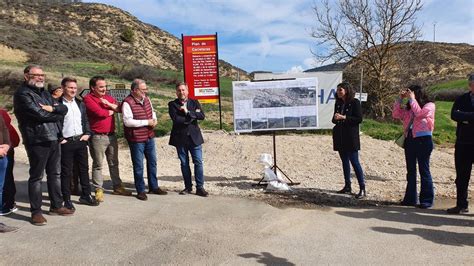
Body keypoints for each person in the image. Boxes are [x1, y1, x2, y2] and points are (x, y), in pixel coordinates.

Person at [13, 65, 74, 226]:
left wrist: (53, 109)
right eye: (36, 75)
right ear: (26, 76)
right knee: (37, 177)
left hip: (53, 137)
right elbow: (39, 115)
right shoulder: (22, 94)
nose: (41, 78)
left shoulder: (44, 93)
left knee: (55, 174)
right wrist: (56, 114)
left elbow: (64, 108)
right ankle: (36, 212)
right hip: (37, 140)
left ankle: (56, 206)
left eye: (42, 75)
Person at [83, 76, 131, 202]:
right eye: (101, 87)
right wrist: (111, 110)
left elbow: (120, 109)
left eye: (105, 86)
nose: (104, 89)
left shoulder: (108, 98)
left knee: (114, 162)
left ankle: (118, 186)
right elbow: (100, 113)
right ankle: (98, 189)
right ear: (93, 88)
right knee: (98, 164)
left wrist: (110, 105)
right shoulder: (88, 99)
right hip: (97, 136)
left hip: (111, 135)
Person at [58, 77, 99, 210]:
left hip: (81, 141)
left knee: (83, 170)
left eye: (75, 88)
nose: (73, 90)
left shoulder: (80, 103)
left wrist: (87, 133)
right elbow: (53, 123)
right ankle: (67, 199)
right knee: (66, 172)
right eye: (70, 88)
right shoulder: (57, 104)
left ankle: (86, 195)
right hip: (66, 142)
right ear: (63, 88)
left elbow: (85, 120)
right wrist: (60, 138)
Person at [122, 79, 167, 200]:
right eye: (143, 89)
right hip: (136, 138)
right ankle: (140, 190)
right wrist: (146, 122)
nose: (145, 91)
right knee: (138, 165)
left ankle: (153, 186)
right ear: (135, 90)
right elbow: (127, 121)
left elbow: (152, 111)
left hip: (149, 136)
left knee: (152, 162)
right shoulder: (127, 102)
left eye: (146, 89)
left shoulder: (146, 99)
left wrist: (154, 119)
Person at [393, 85, 435, 209]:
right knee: (411, 171)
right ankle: (410, 199)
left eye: (410, 93)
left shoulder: (429, 106)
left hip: (423, 139)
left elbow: (420, 114)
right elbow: (396, 114)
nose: (408, 95)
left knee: (424, 170)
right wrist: (399, 99)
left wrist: (412, 99)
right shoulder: (409, 108)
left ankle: (426, 200)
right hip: (410, 139)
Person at [168, 82, 208, 197]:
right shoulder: (172, 104)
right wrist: (192, 116)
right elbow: (176, 119)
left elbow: (202, 116)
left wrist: (187, 112)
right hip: (180, 138)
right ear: (176, 92)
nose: (181, 92)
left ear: (187, 91)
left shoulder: (194, 102)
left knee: (198, 162)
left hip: (194, 138)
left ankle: (200, 187)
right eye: (179, 90)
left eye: (183, 90)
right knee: (184, 163)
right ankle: (188, 186)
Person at [332, 82, 366, 199]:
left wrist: (344, 117)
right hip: (340, 136)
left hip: (350, 136)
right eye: (337, 90)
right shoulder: (338, 103)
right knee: (344, 161)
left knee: (354, 161)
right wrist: (336, 118)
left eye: (340, 90)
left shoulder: (355, 102)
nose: (338, 92)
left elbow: (359, 118)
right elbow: (334, 119)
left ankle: (362, 188)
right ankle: (347, 185)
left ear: (347, 90)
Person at [447, 74, 474, 214]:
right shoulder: (462, 98)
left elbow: (460, 115)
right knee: (462, 176)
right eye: (472, 84)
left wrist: (465, 117)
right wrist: (471, 117)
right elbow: (454, 115)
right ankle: (461, 205)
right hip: (463, 142)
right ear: (469, 85)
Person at [0, 108, 20, 216]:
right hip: (6, 151)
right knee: (7, 180)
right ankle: (7, 205)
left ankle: (7, 204)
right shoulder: (2, 113)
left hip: (6, 150)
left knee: (5, 180)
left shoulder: (2, 113)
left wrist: (8, 145)